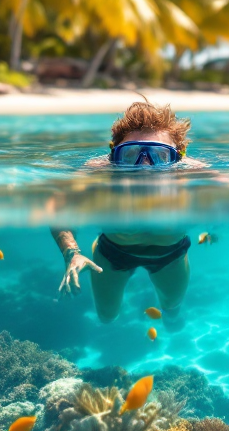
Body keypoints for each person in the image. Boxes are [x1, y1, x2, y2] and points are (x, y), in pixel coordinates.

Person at [50, 101, 196, 324]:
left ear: (178, 158)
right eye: (131, 155)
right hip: (111, 254)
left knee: (172, 309)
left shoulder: (195, 173)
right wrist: (72, 253)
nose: (144, 167)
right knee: (107, 316)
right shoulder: (95, 173)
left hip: (171, 257)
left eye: (159, 156)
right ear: (113, 156)